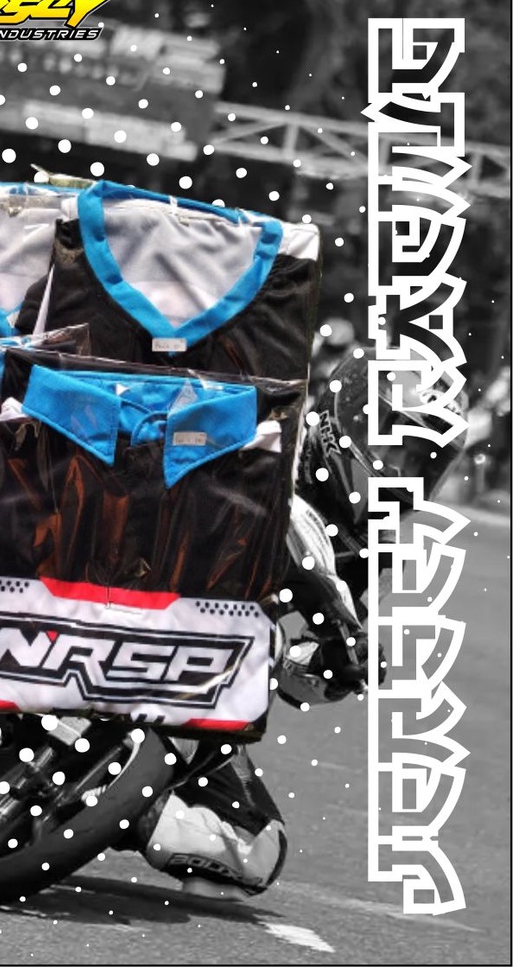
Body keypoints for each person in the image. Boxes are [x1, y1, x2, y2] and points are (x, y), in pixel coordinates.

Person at [129, 350, 466, 899]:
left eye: (421, 462)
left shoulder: (377, 557)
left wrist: (336, 668)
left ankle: (117, 801)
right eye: (395, 447)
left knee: (255, 848)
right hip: (118, 601)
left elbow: (291, 675)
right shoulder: (264, 425)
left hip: (202, 689)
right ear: (348, 415)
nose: (403, 473)